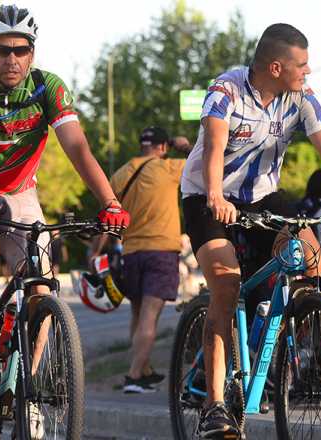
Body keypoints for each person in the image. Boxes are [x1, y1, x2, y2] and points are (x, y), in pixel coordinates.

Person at [180, 24, 321, 437]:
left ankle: (282, 344)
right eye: (302, 64)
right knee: (226, 285)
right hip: (207, 196)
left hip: (263, 196)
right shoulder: (225, 91)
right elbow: (214, 146)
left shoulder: (300, 97)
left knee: (311, 258)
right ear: (276, 67)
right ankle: (214, 405)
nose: (308, 70)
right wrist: (215, 196)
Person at [0, 7, 130, 434]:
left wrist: (111, 203)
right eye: (2, 50)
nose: (12, 59)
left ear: (32, 52)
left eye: (21, 50)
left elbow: (77, 148)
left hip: (21, 190)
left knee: (41, 281)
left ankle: (31, 385)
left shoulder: (47, 87)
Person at [93, 126, 191, 394]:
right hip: (161, 251)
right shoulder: (169, 168)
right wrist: (183, 146)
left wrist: (95, 252)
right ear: (163, 147)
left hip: (131, 253)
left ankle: (144, 370)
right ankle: (134, 376)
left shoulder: (121, 173)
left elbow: (108, 216)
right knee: (149, 316)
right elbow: (204, 161)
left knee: (137, 313)